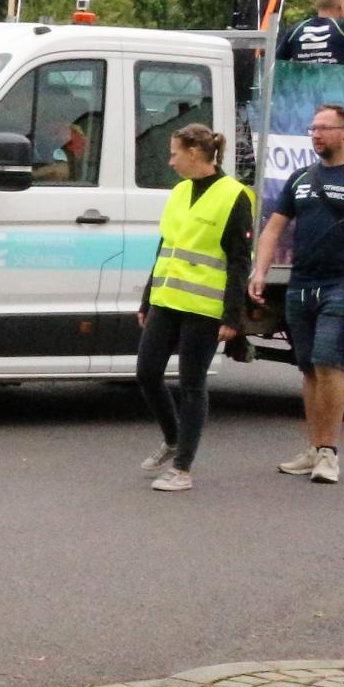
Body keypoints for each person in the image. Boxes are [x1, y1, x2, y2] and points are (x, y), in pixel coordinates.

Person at [247, 102, 344, 486]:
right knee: (309, 367)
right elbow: (272, 229)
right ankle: (313, 448)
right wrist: (260, 271)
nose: (316, 134)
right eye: (312, 128)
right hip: (301, 284)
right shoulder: (300, 179)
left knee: (330, 364)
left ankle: (329, 453)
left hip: (343, 284)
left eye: (324, 128)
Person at [135, 124, 254, 494]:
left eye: (173, 154)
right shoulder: (179, 192)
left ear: (193, 153)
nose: (169, 161)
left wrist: (232, 316)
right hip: (167, 300)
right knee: (146, 372)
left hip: (204, 306)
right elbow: (166, 246)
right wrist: (147, 298)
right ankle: (173, 440)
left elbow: (238, 261)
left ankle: (183, 469)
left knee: (191, 384)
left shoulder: (234, 196)